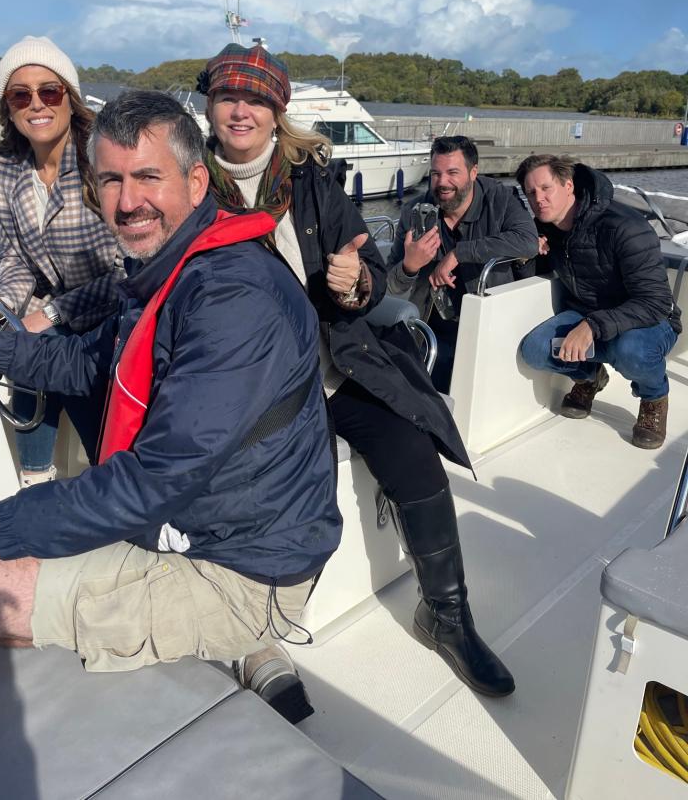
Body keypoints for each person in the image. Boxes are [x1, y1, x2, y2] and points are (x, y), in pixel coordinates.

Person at [0, 92, 340, 725]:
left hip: (243, 565)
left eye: (148, 177)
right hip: (199, 523)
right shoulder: (170, 269)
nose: (129, 203)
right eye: (111, 181)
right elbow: (78, 361)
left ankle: (246, 635)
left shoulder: (230, 297)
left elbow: (150, 481)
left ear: (197, 179)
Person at [198, 43, 515, 697]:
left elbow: (368, 271)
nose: (240, 110)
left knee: (411, 444)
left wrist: (356, 285)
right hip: (248, 389)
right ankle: (255, 634)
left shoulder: (311, 182)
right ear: (209, 104)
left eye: (256, 98)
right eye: (228, 95)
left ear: (276, 110)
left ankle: (448, 614)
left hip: (333, 366)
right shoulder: (188, 186)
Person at [0, 36, 123, 484]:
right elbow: (15, 254)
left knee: (46, 345)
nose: (37, 104)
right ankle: (34, 480)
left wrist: (49, 314)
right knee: (24, 343)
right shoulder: (5, 168)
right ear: (8, 108)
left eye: (49, 91)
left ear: (70, 99)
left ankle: (108, 478)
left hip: (112, 314)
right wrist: (0, 304)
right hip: (50, 319)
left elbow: (131, 271)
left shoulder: (100, 160)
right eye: (20, 95)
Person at [517, 154, 681, 449]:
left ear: (568, 186)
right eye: (531, 192)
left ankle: (654, 396)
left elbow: (656, 301)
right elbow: (537, 273)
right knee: (534, 350)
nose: (538, 198)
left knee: (629, 349)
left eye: (546, 188)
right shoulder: (546, 229)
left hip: (650, 320)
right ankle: (590, 376)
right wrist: (529, 254)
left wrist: (592, 325)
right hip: (586, 313)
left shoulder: (623, 226)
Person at [386, 135, 538, 392]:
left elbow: (528, 241)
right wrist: (410, 267)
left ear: (473, 172)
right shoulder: (415, 212)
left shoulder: (500, 200)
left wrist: (458, 253)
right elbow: (388, 285)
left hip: (487, 324)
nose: (442, 182)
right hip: (431, 325)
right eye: (435, 174)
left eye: (453, 172)